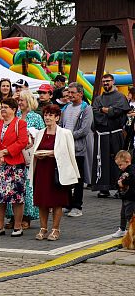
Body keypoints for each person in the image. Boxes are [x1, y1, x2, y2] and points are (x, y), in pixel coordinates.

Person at [30, 104, 80, 241]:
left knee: (57, 201)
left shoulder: (65, 133)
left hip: (58, 171)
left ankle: (55, 229)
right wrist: (38, 155)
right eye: (46, 115)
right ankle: (43, 228)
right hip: (42, 170)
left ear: (57, 117)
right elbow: (35, 151)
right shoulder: (40, 133)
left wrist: (53, 153)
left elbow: (70, 153)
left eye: (51, 115)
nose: (47, 117)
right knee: (42, 201)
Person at [0, 98, 28, 237]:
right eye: (2, 107)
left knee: (16, 196)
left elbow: (22, 141)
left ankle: (17, 226)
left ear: (14, 109)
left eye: (6, 107)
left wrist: (5, 151)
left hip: (15, 165)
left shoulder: (20, 123)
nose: (3, 109)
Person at [6, 90, 45, 230]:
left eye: (22, 100)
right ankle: (13, 217)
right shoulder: (13, 116)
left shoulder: (36, 117)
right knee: (13, 187)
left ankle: (26, 218)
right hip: (14, 156)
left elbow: (42, 135)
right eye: (19, 100)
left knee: (27, 188)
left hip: (29, 156)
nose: (19, 102)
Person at [92, 74, 130, 198]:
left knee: (119, 161)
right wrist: (110, 112)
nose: (105, 83)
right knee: (102, 161)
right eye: (103, 81)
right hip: (102, 135)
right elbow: (96, 113)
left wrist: (106, 111)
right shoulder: (98, 98)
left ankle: (121, 188)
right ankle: (104, 188)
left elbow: (119, 112)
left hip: (116, 134)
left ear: (113, 81)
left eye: (108, 81)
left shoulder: (120, 97)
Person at [60, 83, 94, 217]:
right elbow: (61, 124)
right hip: (64, 148)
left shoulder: (86, 108)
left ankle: (77, 206)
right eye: (69, 92)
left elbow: (85, 130)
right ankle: (67, 203)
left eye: (73, 92)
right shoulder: (66, 108)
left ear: (80, 93)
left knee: (78, 178)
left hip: (78, 148)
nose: (70, 95)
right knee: (66, 177)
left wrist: (67, 136)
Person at [112, 150, 135, 238]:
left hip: (131, 197)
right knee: (123, 214)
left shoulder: (132, 170)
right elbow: (118, 180)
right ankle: (122, 229)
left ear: (127, 161)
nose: (119, 167)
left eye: (120, 165)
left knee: (129, 214)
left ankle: (131, 229)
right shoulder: (123, 170)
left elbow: (132, 179)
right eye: (118, 165)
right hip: (125, 196)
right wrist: (118, 184)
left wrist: (123, 182)